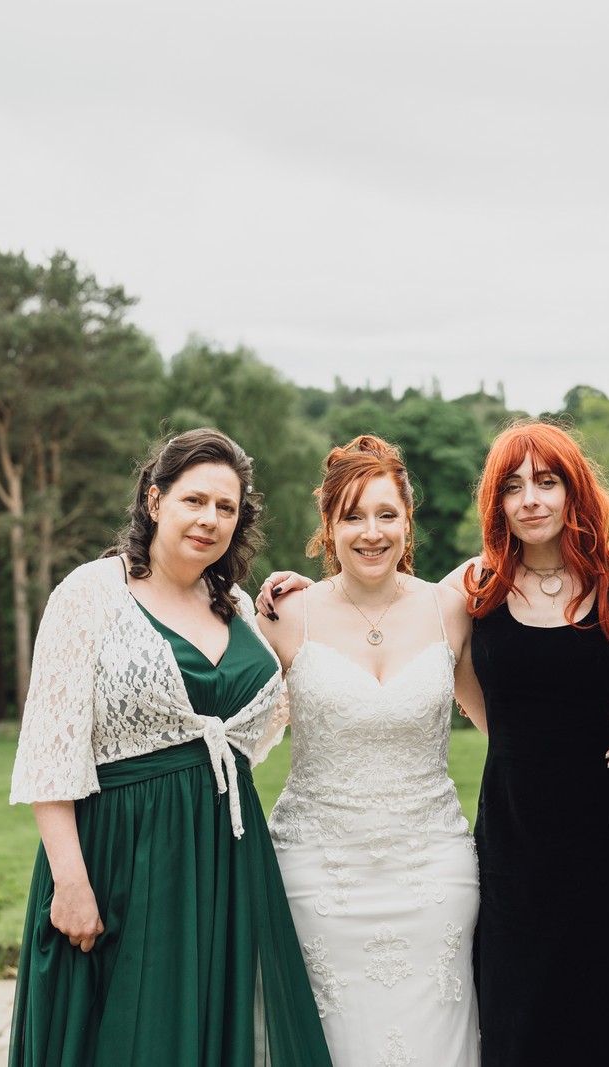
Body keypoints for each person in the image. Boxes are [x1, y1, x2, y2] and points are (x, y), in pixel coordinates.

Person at [259, 419, 609, 1065]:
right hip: (492, 845)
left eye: (546, 482)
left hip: (592, 840)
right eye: (513, 486)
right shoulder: (474, 588)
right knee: (511, 1021)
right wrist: (290, 588)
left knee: (601, 1013)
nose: (530, 499)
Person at [7, 429, 333, 1067]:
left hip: (224, 857)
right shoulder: (91, 593)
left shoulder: (239, 607)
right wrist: (70, 881)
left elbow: (270, 715)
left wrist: (312, 601)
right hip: (120, 852)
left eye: (226, 507)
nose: (210, 518)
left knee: (209, 1034)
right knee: (129, 1038)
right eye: (194, 500)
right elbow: (50, 748)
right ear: (155, 501)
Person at [260, 435, 480, 1067]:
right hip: (317, 875)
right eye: (352, 516)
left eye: (387, 514)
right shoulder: (284, 614)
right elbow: (233, 719)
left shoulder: (452, 608)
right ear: (328, 525)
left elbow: (507, 724)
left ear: (408, 519)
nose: (371, 532)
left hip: (432, 876)